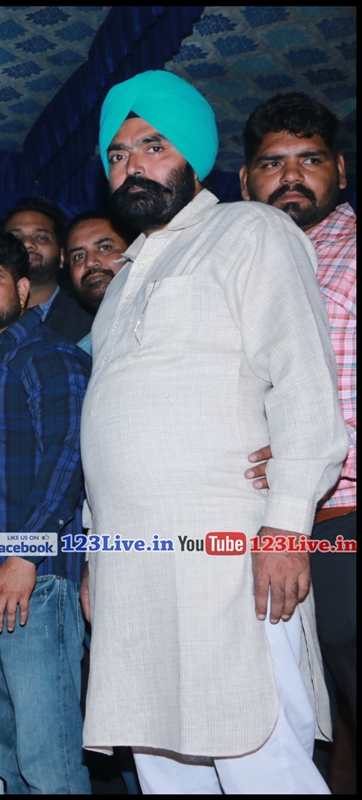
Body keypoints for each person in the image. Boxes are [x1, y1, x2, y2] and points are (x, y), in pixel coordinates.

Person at [81, 71, 348, 794]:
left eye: (153, 145)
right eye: (116, 154)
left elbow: (303, 383)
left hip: (230, 554)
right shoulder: (119, 284)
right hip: (131, 566)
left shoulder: (250, 231)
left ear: (194, 154)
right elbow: (104, 434)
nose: (132, 166)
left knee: (260, 755)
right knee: (163, 763)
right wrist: (97, 557)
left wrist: (286, 527)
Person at [0, 229, 91, 793]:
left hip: (35, 579)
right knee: (5, 756)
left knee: (48, 760)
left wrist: (24, 556)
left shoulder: (51, 356)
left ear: (24, 288)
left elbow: (68, 460)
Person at [239, 93, 356, 734]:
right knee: (290, 716)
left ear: (339, 168)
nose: (290, 176)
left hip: (344, 516)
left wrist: (303, 452)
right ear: (244, 181)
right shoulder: (240, 264)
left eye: (308, 159)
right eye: (271, 163)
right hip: (259, 524)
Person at [0, 197, 92, 372]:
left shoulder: (91, 322)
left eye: (41, 238)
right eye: (15, 238)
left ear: (62, 256)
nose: (27, 244)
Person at [66, 212, 135, 354]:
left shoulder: (164, 317)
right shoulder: (80, 355)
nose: (90, 262)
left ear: (134, 251)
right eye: (79, 256)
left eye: (105, 248)